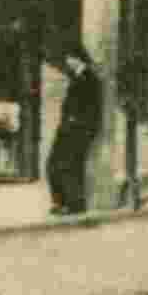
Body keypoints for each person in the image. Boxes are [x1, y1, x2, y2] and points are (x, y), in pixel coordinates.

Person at [43, 49, 105, 217]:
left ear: (79, 59)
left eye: (71, 58)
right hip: (67, 129)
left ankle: (74, 204)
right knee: (53, 165)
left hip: (77, 130)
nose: (68, 61)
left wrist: (77, 124)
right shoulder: (77, 78)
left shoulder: (89, 79)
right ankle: (61, 202)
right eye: (67, 58)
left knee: (70, 166)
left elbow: (93, 109)